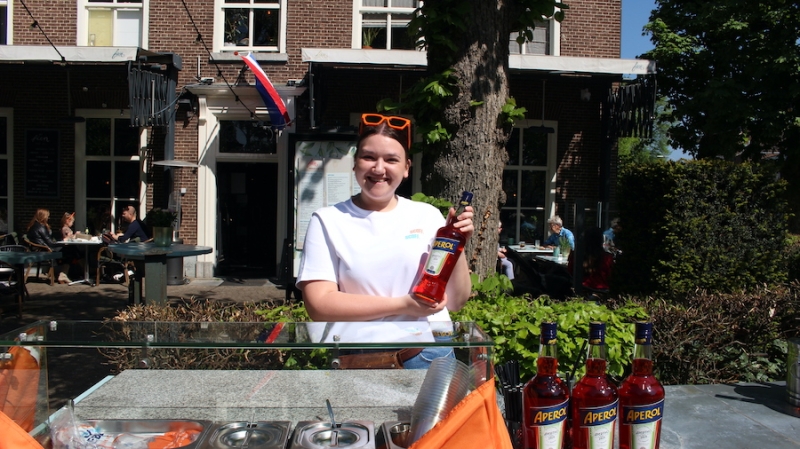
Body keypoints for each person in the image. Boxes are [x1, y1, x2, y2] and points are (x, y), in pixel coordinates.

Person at [296, 113, 474, 369]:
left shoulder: (428, 215)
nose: (379, 169)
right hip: (361, 357)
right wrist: (403, 305)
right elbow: (319, 305)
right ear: (355, 164)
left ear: (406, 168)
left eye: (391, 159)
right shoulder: (328, 220)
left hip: (430, 352)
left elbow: (456, 301)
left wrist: (458, 244)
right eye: (369, 157)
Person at [26, 208, 70, 283]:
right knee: (69, 250)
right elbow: (50, 243)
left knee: (70, 250)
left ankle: (62, 274)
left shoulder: (33, 226)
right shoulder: (41, 227)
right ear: (43, 217)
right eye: (47, 216)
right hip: (44, 250)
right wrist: (64, 241)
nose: (48, 218)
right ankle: (63, 274)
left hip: (38, 249)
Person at [567, 227, 615, 292]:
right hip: (601, 291)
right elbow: (610, 276)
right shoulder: (607, 257)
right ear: (601, 240)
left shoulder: (576, 255)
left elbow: (569, 272)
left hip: (581, 289)